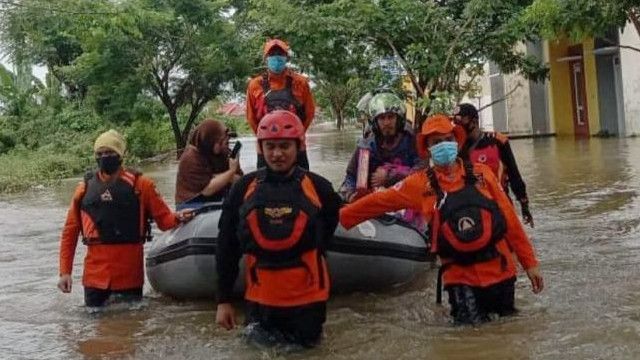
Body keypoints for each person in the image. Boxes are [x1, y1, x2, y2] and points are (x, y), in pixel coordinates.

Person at [339, 115, 544, 325]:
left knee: (507, 334)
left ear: (456, 142)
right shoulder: (418, 185)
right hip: (460, 279)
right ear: (427, 148)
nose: (443, 145)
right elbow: (377, 202)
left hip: (500, 271)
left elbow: (510, 220)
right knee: (472, 338)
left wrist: (530, 263)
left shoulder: (483, 175)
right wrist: (338, 218)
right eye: (436, 142)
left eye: (448, 139)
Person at [215, 110, 341, 348]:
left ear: (298, 147)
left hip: (307, 303)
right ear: (261, 148)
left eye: (285, 146)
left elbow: (330, 226)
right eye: (270, 146)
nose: (277, 154)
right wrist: (223, 301)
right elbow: (226, 246)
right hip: (260, 302)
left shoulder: (319, 187)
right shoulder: (243, 188)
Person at [57, 130, 194, 308]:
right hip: (94, 278)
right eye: (100, 154)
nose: (104, 157)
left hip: (128, 277)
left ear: (121, 155)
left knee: (129, 330)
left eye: (110, 153)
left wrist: (179, 218)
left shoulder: (142, 185)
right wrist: (65, 272)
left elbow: (164, 220)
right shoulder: (84, 189)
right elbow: (70, 231)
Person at [452, 103, 534, 227]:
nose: (457, 124)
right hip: (472, 208)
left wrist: (524, 204)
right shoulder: (455, 148)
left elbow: (514, 174)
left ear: (474, 121)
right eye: (455, 120)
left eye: (460, 120)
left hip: (500, 204)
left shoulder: (497, 141)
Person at [246, 38, 315, 170]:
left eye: (280, 54)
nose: (276, 58)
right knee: (264, 186)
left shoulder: (300, 83)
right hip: (265, 149)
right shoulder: (255, 85)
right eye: (272, 54)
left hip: (296, 146)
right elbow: (251, 117)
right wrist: (265, 139)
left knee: (303, 184)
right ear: (266, 58)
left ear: (286, 58)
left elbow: (309, 114)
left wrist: (296, 136)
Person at [339, 92, 419, 203]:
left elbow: (422, 172)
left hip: (406, 199)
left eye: (391, 117)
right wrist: (350, 195)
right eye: (382, 118)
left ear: (398, 119)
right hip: (375, 203)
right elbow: (350, 177)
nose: (386, 122)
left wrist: (391, 176)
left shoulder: (411, 140)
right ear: (375, 123)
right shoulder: (366, 148)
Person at [175, 119, 242, 209]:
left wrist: (223, 176)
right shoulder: (191, 157)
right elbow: (207, 190)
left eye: (225, 141)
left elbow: (241, 181)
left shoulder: (224, 153)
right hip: (190, 205)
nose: (223, 145)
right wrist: (230, 172)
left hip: (216, 201)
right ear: (208, 141)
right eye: (219, 142)